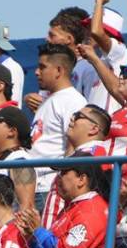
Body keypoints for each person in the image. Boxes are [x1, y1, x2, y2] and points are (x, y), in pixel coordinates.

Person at [29, 43, 87, 209]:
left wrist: (62, 184)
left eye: (42, 67)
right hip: (34, 187)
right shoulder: (49, 101)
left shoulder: (72, 101)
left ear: (59, 71)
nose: (36, 72)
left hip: (49, 188)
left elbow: (74, 148)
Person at [39, 104, 110, 229]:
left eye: (78, 116)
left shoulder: (94, 154)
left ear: (93, 129)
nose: (72, 118)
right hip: (59, 231)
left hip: (69, 232)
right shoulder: (89, 152)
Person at [84, 0, 127, 113]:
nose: (88, 33)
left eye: (91, 27)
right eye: (87, 28)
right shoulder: (97, 60)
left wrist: (99, 1)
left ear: (109, 33)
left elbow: (96, 32)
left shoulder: (119, 50)